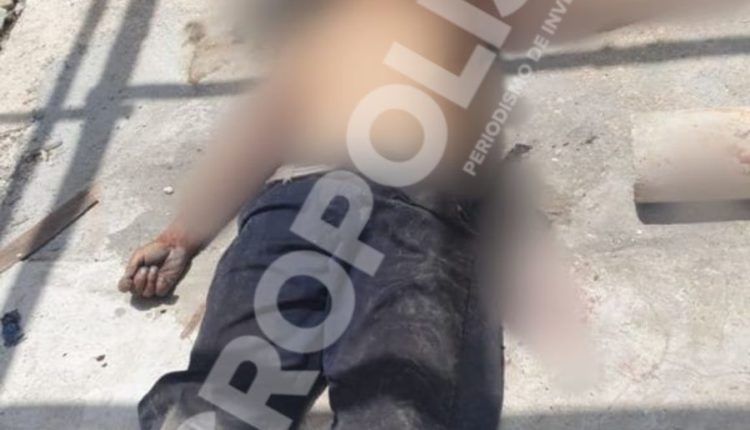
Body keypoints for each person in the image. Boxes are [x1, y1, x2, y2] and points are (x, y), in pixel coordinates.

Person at [118, 1, 745, 428]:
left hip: (412, 207)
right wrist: (182, 234)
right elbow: (258, 135)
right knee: (230, 394)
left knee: (400, 393)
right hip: (303, 205)